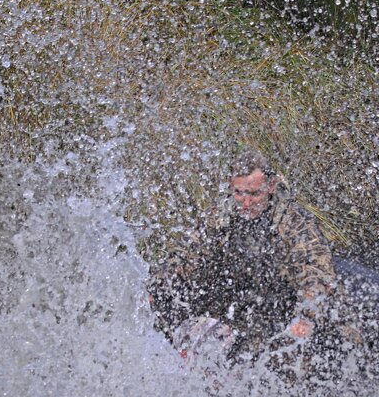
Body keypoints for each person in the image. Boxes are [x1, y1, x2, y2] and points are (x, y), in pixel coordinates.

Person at [149, 151, 353, 374]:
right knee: (165, 296)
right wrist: (161, 282)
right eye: (239, 193)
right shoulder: (221, 215)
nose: (246, 203)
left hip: (286, 305)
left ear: (271, 186)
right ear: (231, 186)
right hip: (244, 303)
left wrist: (307, 316)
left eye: (255, 194)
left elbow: (316, 273)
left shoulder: (293, 221)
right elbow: (186, 254)